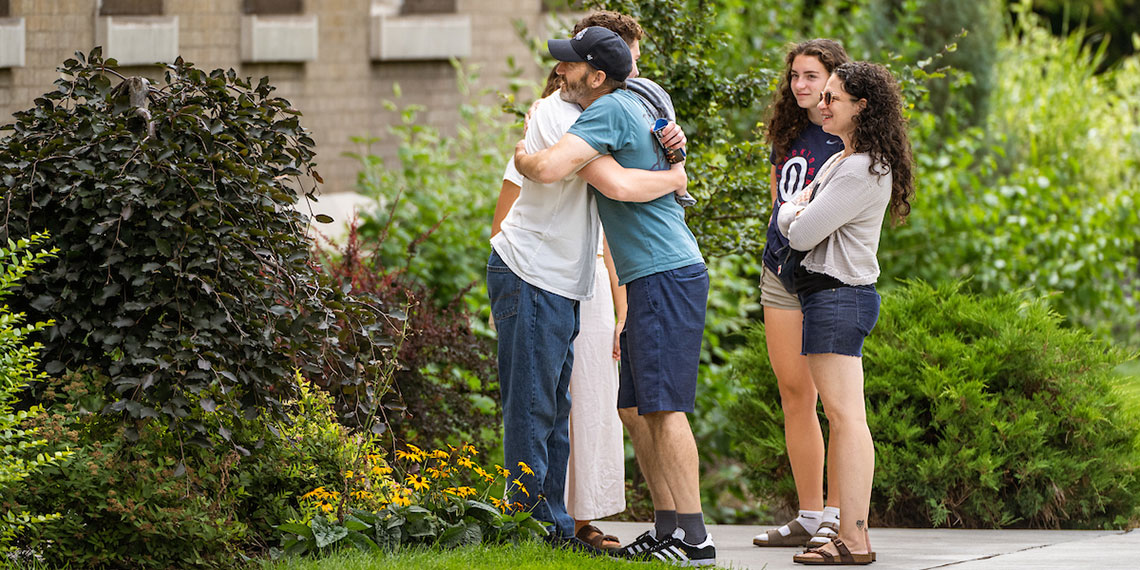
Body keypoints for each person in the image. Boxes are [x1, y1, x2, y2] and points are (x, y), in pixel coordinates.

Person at [514, 29, 716, 567]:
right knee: (635, 406)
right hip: (656, 273)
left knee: (664, 407)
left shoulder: (604, 111)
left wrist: (526, 156)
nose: (561, 73)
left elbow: (560, 170)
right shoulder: (646, 95)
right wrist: (675, 173)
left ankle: (695, 541)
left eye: (570, 66)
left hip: (663, 272)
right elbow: (661, 155)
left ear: (596, 76)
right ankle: (668, 528)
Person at [777, 61, 914, 565]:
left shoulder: (860, 168)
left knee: (846, 418)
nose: (823, 103)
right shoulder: (844, 159)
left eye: (836, 97)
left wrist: (795, 211)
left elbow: (798, 228)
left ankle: (853, 539)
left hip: (839, 295)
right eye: (824, 94)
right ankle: (851, 537)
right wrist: (798, 209)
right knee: (844, 417)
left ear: (863, 107)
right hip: (829, 296)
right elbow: (798, 210)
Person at [752, 39, 850, 550]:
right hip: (780, 272)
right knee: (795, 394)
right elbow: (778, 200)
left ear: (835, 79)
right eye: (795, 76)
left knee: (838, 404)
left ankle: (839, 515)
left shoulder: (848, 136)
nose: (801, 86)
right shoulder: (788, 131)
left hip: (826, 277)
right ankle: (810, 514)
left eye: (812, 76)